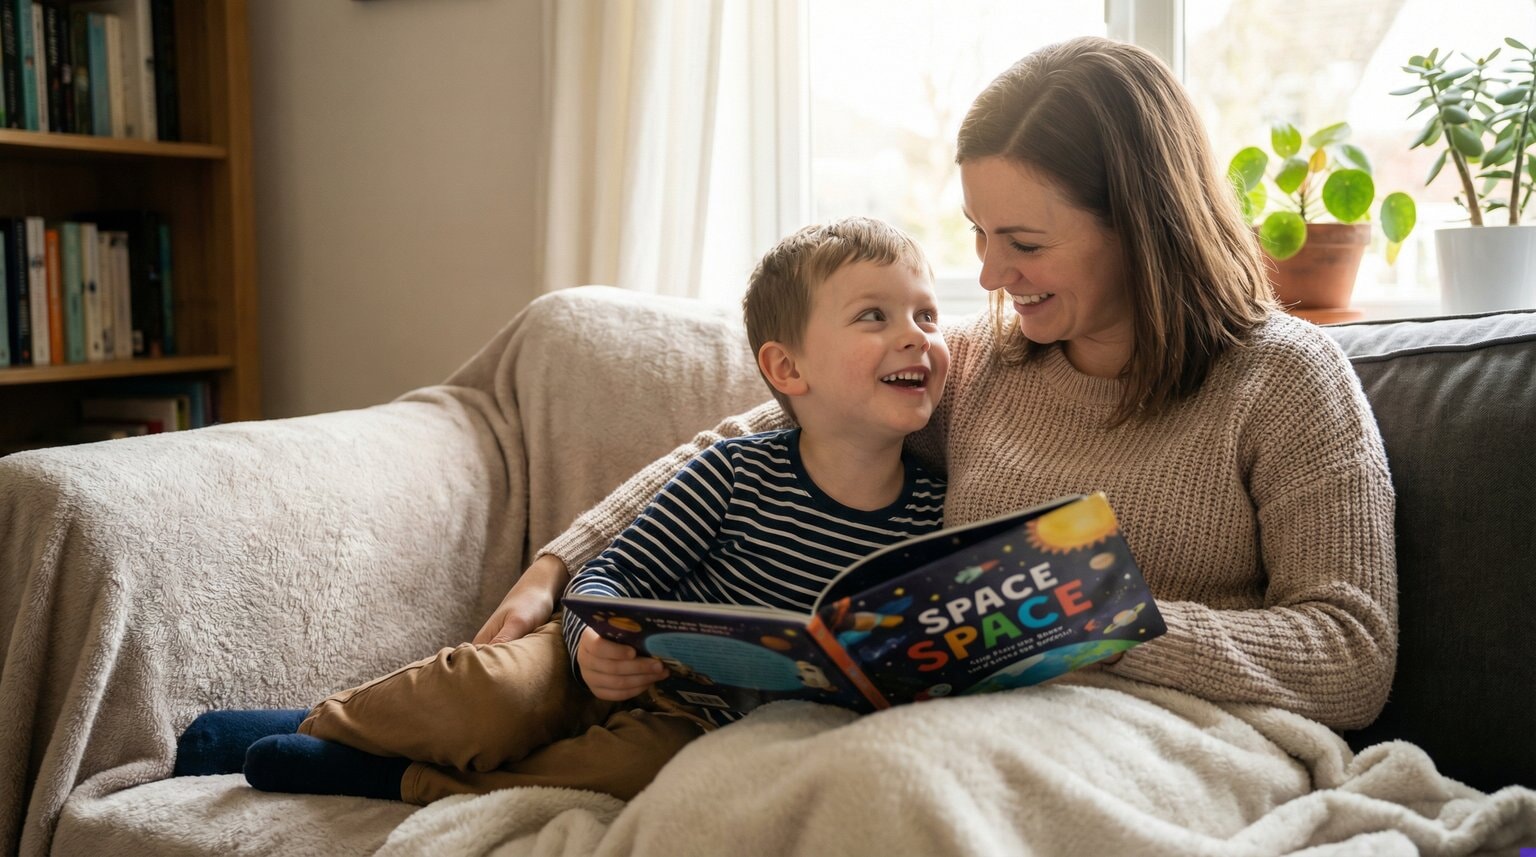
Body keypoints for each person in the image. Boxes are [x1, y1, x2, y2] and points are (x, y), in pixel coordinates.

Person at [480, 35, 1397, 732]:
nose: (994, 276)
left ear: (1143, 224)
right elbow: (749, 441)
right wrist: (558, 567)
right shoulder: (989, 367)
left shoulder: (1284, 381)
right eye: (980, 234)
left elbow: (1354, 653)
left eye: (1026, 244)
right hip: (961, 729)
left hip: (1177, 736)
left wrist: (1090, 622)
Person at [172, 216, 951, 803]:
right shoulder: (735, 471)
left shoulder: (931, 512)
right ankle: (317, 723)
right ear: (789, 367)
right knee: (490, 696)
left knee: (626, 773)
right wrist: (590, 644)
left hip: (697, 718)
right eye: (874, 316)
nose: (915, 337)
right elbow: (608, 574)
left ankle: (391, 777)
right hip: (588, 659)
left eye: (926, 315)